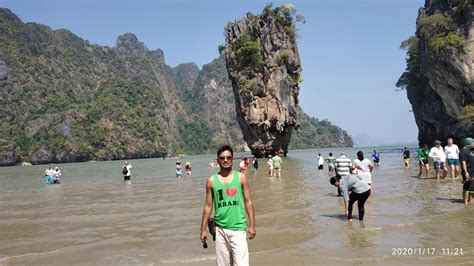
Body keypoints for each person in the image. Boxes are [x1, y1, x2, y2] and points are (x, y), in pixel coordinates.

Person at [200, 145, 256, 265]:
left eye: (228, 157)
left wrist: (252, 225)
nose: (225, 160)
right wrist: (203, 229)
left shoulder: (241, 178)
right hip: (220, 230)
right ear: (218, 161)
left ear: (233, 159)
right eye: (222, 158)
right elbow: (208, 206)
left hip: (239, 229)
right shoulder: (211, 180)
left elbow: (248, 202)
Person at [459, 137, 474, 204]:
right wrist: (466, 172)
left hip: (473, 171)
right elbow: (463, 162)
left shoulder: (471, 150)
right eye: (473, 142)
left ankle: (471, 201)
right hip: (468, 171)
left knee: (472, 187)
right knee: (467, 187)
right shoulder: (463, 151)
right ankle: (465, 202)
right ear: (469, 143)